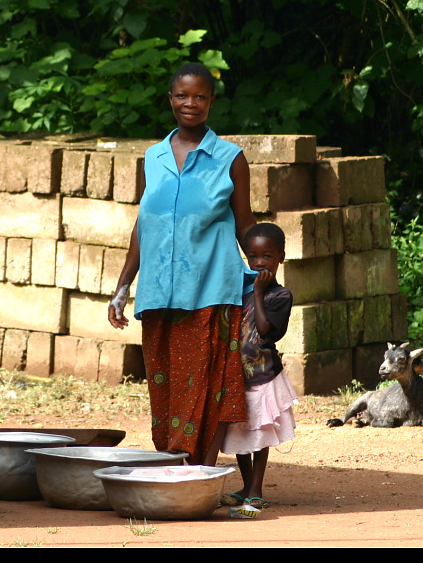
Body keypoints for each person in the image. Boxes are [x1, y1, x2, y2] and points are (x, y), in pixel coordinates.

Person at [108, 62, 258, 466]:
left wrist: (265, 276)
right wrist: (123, 287)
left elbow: (245, 223)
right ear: (170, 100)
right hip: (158, 293)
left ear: (211, 102)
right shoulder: (153, 157)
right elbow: (146, 223)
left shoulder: (230, 158)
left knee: (207, 384)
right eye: (182, 96)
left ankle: (199, 471)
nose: (190, 103)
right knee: (166, 386)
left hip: (211, 289)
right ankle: (174, 466)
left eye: (200, 97)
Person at [220, 222, 297, 513]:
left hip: (264, 375)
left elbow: (265, 329)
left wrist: (257, 292)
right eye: (253, 256)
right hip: (237, 376)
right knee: (239, 431)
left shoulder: (280, 296)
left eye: (267, 256)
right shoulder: (239, 292)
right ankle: (246, 484)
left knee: (260, 433)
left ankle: (256, 490)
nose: (259, 262)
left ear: (281, 257)